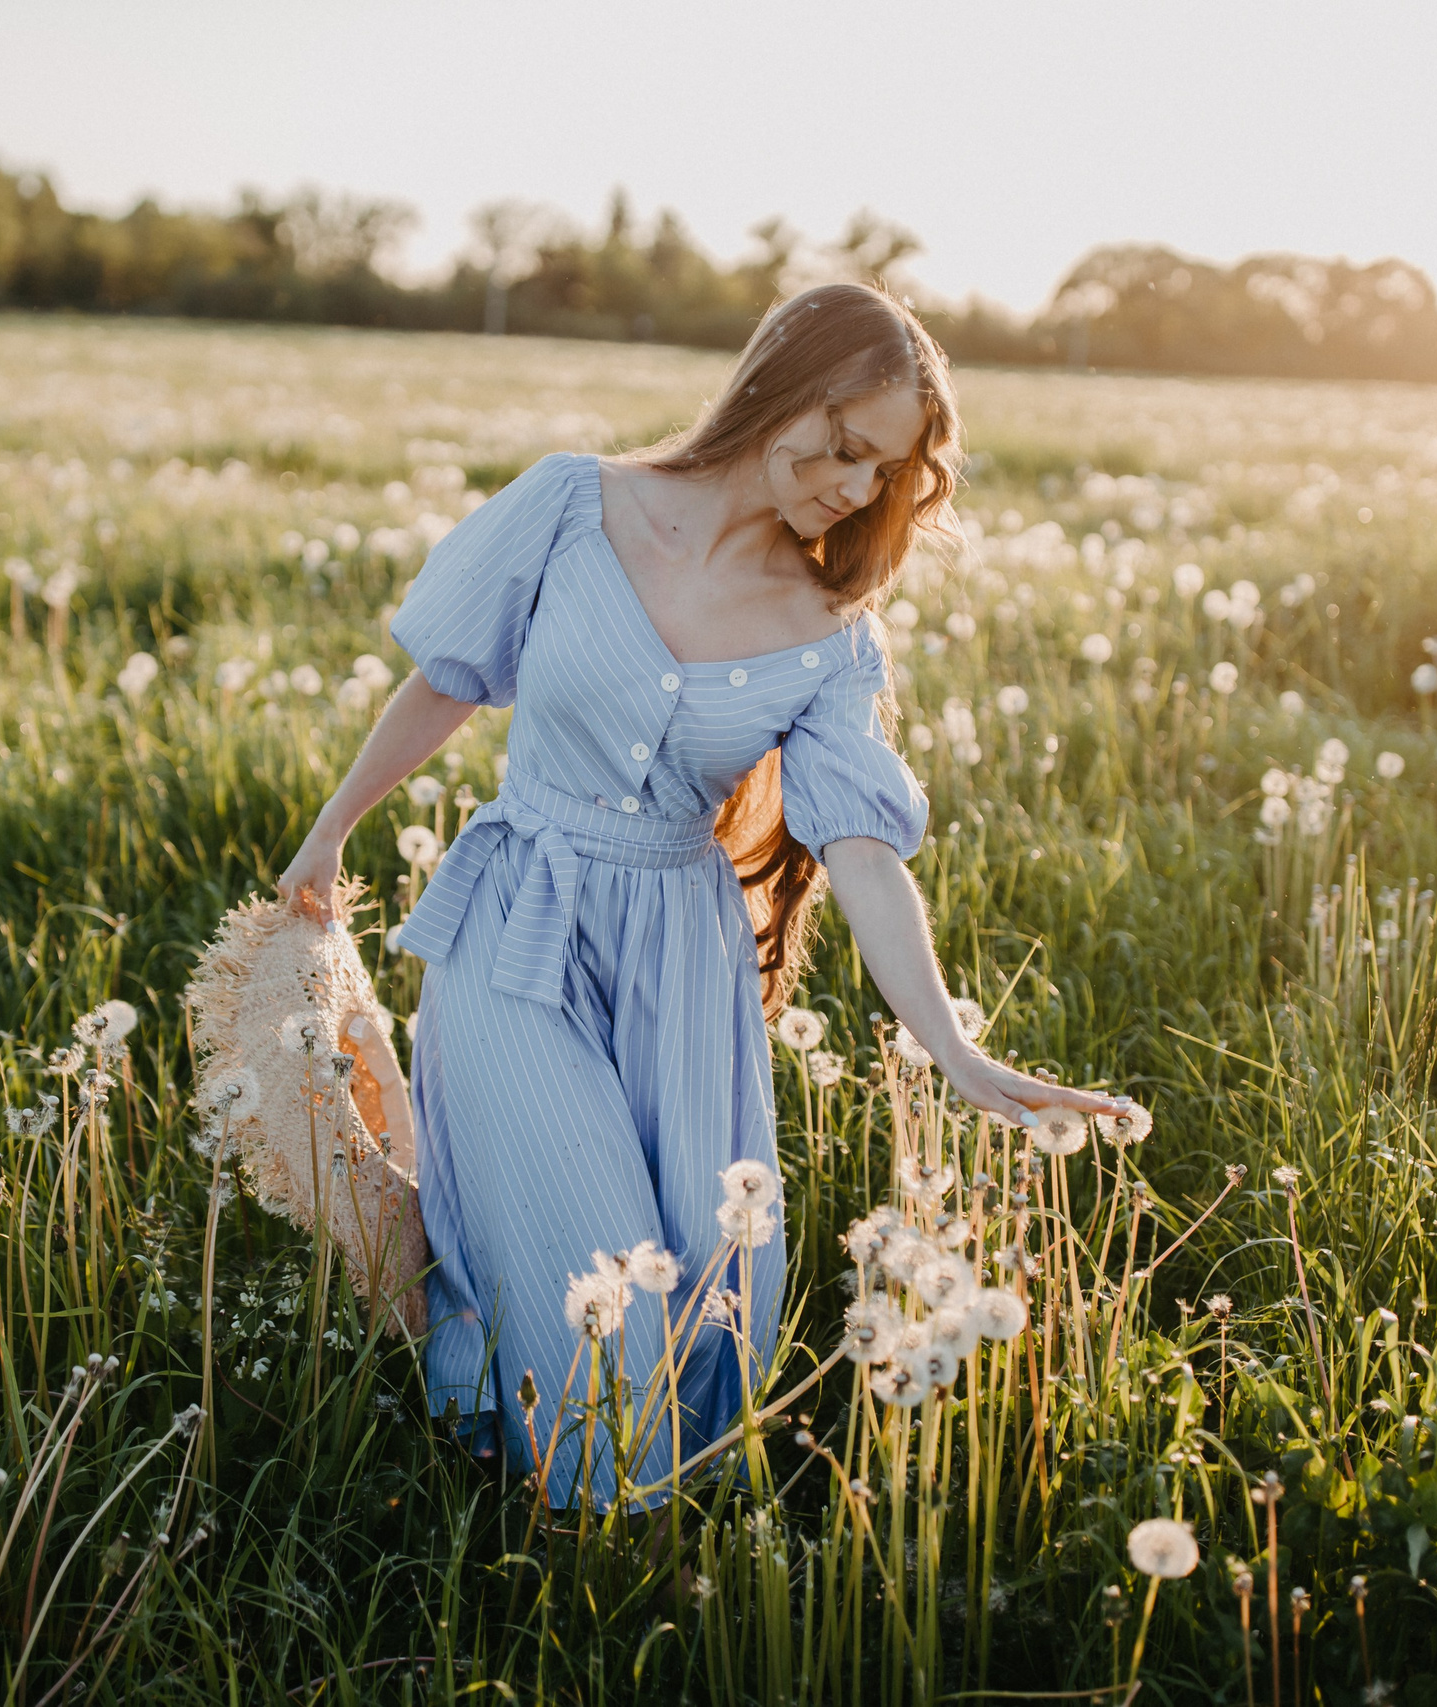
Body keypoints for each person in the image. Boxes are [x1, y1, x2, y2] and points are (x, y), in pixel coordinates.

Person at [278, 281, 1126, 1507]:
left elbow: (861, 850)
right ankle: (585, 1522)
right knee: (598, 1285)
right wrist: (328, 834)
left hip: (682, 963)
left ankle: (606, 1528)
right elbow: (448, 681)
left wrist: (947, 1041)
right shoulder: (572, 504)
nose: (851, 487)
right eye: (842, 445)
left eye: (881, 472)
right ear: (777, 383)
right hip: (517, 929)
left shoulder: (831, 631)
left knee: (691, 1294)